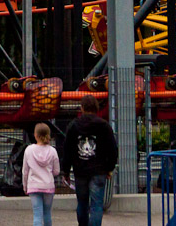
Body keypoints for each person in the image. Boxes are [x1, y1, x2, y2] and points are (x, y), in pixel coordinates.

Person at [62, 95, 117, 226]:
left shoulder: (73, 126)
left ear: (82, 107)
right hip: (99, 170)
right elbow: (112, 149)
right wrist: (109, 168)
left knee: (82, 203)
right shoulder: (104, 126)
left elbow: (67, 150)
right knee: (97, 205)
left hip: (80, 171)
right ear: (96, 108)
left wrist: (66, 171)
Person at [23, 122, 61, 226]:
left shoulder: (29, 150)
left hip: (34, 185)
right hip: (48, 185)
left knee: (37, 215)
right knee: (47, 213)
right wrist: (49, 173)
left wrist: (25, 186)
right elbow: (57, 171)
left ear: (35, 135)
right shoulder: (53, 151)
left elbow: (25, 171)